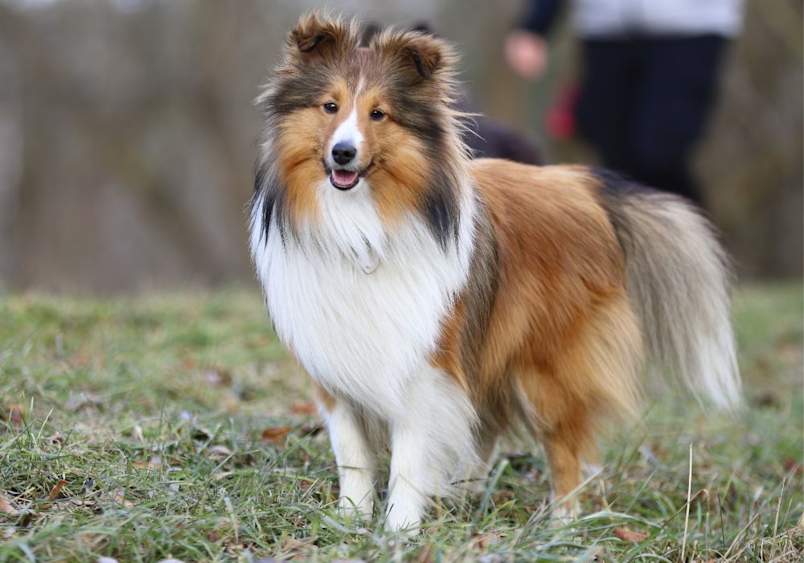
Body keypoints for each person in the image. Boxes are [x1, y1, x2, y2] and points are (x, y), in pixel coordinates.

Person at [506, 0, 744, 205]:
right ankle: (634, 249)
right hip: (606, 29)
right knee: (615, 158)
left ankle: (692, 244)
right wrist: (536, 24)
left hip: (691, 27)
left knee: (659, 151)